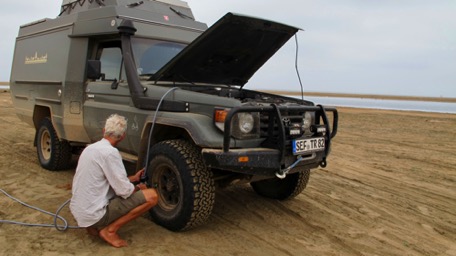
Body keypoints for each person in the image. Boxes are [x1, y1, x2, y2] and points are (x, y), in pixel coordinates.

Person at [70, 114, 158, 248]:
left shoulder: (90, 148)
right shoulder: (111, 153)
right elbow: (124, 191)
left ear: (104, 131)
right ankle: (109, 231)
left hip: (80, 212)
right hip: (94, 215)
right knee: (152, 196)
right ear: (122, 136)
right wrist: (139, 187)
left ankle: (91, 227)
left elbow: (104, 180)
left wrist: (133, 178)